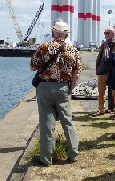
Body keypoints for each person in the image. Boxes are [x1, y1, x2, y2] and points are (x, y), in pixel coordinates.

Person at [30, 21, 81, 166]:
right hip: (63, 87)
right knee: (67, 121)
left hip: (45, 88)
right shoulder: (73, 50)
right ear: (66, 35)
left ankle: (46, 158)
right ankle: (73, 154)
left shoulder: (44, 47)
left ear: (53, 33)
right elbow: (76, 74)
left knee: (47, 122)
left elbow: (33, 67)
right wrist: (70, 88)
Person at [94, 26, 115, 119]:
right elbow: (100, 56)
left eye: (107, 33)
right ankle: (101, 109)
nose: (105, 35)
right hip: (102, 71)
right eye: (105, 33)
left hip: (112, 72)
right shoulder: (104, 44)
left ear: (113, 34)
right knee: (101, 92)